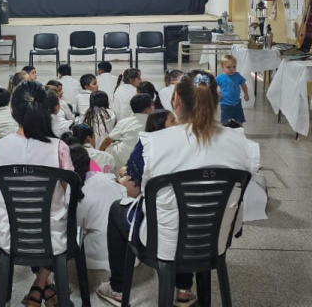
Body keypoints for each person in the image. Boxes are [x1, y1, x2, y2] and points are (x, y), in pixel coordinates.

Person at [97, 71, 256, 306]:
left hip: (162, 240)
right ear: (216, 101)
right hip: (215, 238)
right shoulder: (242, 143)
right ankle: (184, 288)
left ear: (176, 101)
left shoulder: (154, 142)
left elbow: (132, 191)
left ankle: (118, 288)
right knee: (194, 213)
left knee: (118, 209)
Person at [0, 81, 74, 307]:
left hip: (9, 234)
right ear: (48, 109)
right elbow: (67, 193)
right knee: (64, 212)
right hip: (52, 236)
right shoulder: (58, 148)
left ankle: (39, 285)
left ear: (13, 112)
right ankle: (43, 284)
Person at [69, 144, 124, 271]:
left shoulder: (75, 191)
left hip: (97, 257)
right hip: (126, 250)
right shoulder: (106, 178)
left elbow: (75, 226)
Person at [100, 93, 152, 170]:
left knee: (113, 145)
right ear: (147, 109)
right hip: (147, 160)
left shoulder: (124, 122)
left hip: (124, 160)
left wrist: (99, 153)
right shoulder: (154, 121)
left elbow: (108, 140)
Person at [217, 55, 249, 124]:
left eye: (234, 67)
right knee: (226, 123)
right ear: (222, 67)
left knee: (239, 122)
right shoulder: (220, 78)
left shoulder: (237, 75)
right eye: (228, 67)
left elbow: (243, 85)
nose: (232, 69)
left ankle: (239, 133)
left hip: (237, 104)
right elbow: (212, 85)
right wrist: (216, 94)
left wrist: (246, 94)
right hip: (225, 105)